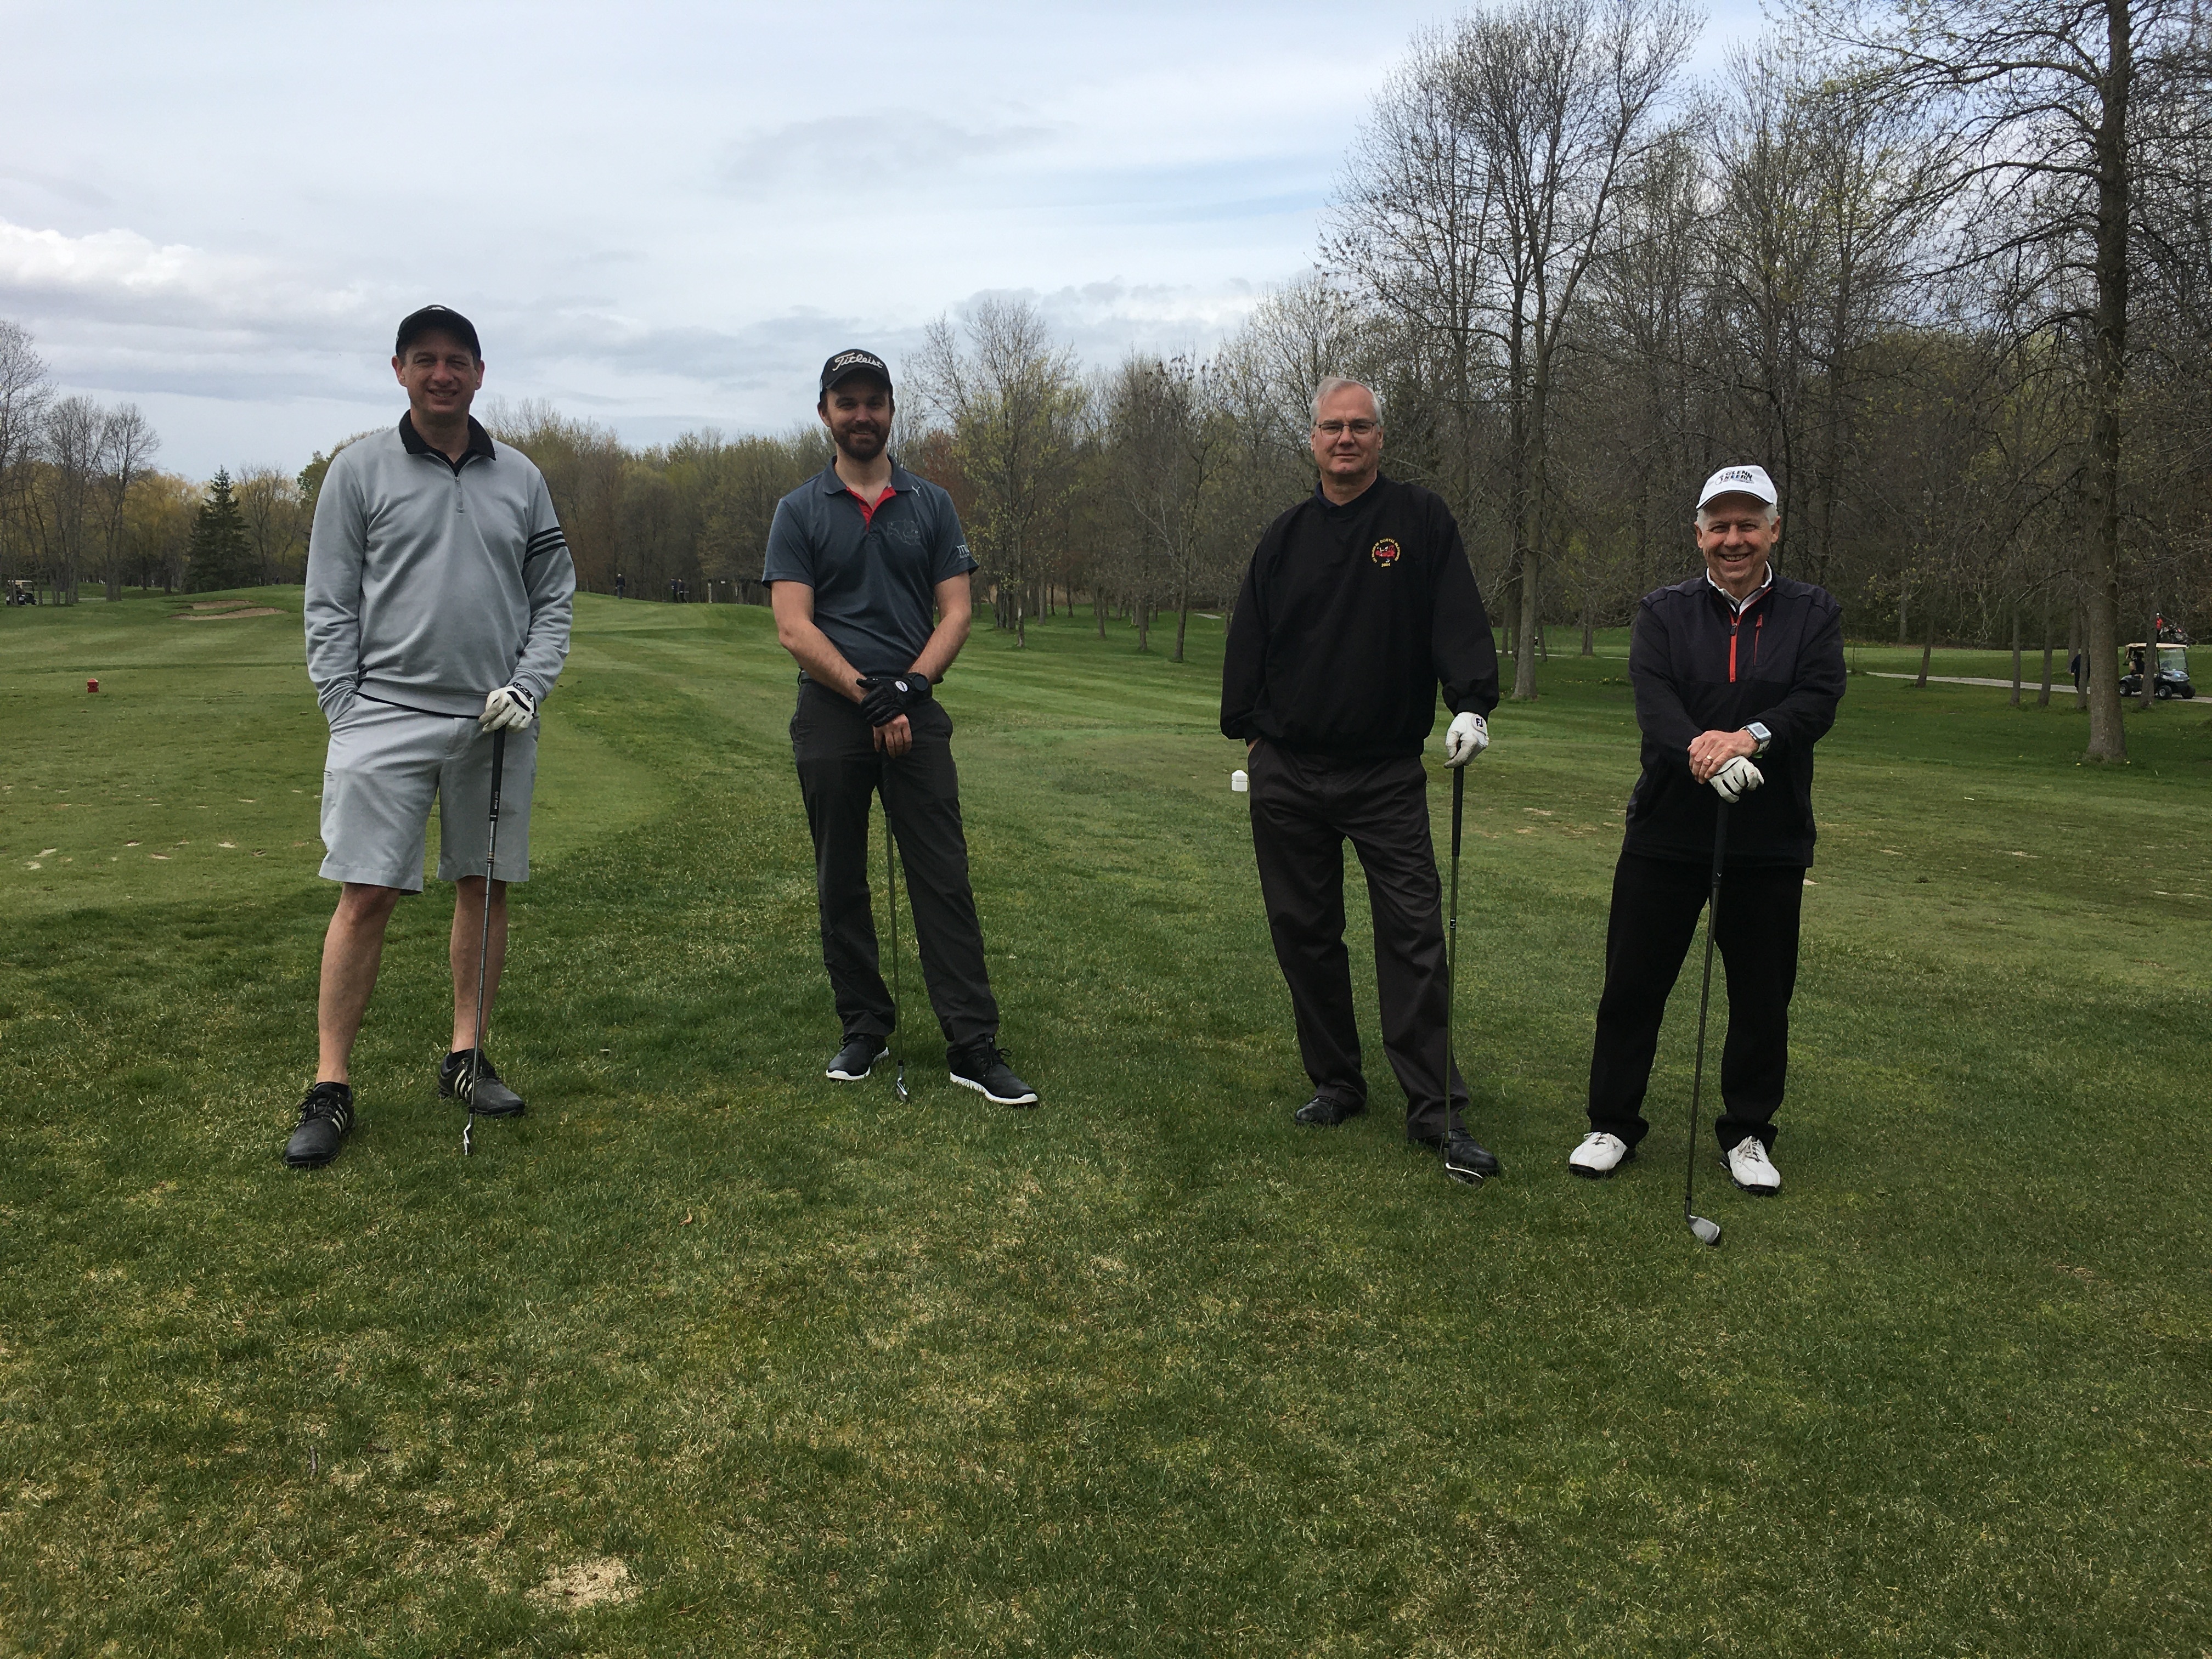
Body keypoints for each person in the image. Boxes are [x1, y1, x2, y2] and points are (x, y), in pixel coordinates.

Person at [288, 305, 575, 1169]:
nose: (442, 374)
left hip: (495, 717)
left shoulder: (521, 477)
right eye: (425, 360)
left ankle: (466, 1056)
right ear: (400, 370)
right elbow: (329, 600)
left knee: (483, 888)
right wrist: (344, 704)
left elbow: (554, 597)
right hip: (383, 713)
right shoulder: (358, 470)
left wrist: (528, 686)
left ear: (480, 374)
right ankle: (331, 1085)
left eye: (457, 361)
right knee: (366, 894)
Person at [1220, 376, 1502, 1186]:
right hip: (1289, 769)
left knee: (1414, 934)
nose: (1345, 439)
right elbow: (1250, 641)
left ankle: (1434, 1109)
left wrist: (1471, 702)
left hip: (1384, 773)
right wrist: (1251, 733)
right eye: (1332, 427)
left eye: (1360, 426)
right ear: (1312, 440)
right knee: (1304, 933)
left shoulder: (1420, 520)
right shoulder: (1284, 537)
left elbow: (1456, 616)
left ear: (1380, 438)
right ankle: (1337, 1082)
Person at [763, 348, 1037, 1107]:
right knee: (840, 876)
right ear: (825, 412)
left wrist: (910, 688)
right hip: (832, 710)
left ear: (890, 409)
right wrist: (867, 696)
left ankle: (972, 1044)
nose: (862, 415)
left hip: (916, 704)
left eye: (874, 402)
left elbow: (957, 612)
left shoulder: (932, 504)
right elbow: (793, 626)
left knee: (943, 877)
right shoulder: (798, 510)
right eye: (846, 402)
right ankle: (864, 1027)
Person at [1569, 464, 1844, 1194]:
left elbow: (1817, 699)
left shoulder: (1813, 612)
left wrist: (1749, 738)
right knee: (1633, 985)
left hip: (1770, 837)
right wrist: (1704, 751)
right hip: (1666, 831)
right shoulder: (1664, 612)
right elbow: (1655, 703)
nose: (1733, 539)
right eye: (1719, 526)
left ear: (1774, 530)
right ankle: (1611, 1123)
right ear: (1699, 535)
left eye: (1748, 524)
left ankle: (1748, 1133)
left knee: (1761, 997)